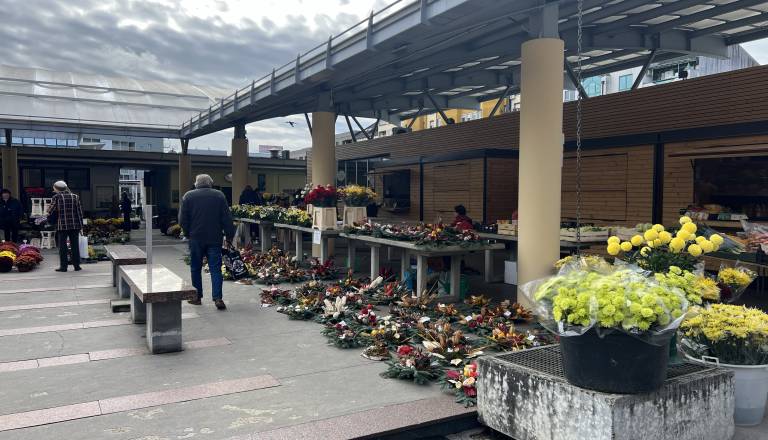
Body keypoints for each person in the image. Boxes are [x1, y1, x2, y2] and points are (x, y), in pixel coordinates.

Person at [179, 174, 235, 310]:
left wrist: (187, 233)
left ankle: (197, 297)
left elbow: (182, 219)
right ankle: (218, 298)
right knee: (216, 269)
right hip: (214, 238)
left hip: (196, 238)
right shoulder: (219, 195)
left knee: (195, 268)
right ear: (211, 183)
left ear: (196, 183)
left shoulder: (188, 196)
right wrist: (229, 236)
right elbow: (226, 218)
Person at [47, 181, 84, 272]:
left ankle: (63, 267)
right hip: (75, 225)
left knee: (63, 247)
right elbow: (79, 213)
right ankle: (77, 266)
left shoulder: (56, 197)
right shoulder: (75, 197)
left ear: (57, 188)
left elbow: (49, 211)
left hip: (62, 226)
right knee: (75, 245)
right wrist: (81, 226)